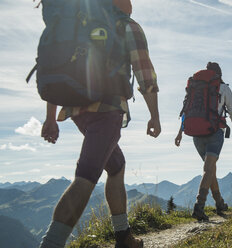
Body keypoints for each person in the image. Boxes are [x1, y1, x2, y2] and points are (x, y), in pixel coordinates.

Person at [39, 0, 160, 247]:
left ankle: (123, 236)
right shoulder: (127, 25)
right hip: (107, 108)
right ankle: (50, 244)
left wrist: (51, 118)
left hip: (76, 109)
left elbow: (56, 66)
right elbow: (145, 74)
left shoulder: (76, 24)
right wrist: (154, 115)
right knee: (87, 175)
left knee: (116, 166)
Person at [175, 62, 232, 221]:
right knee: (208, 169)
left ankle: (219, 203)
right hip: (214, 132)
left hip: (196, 134)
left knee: (211, 169)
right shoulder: (223, 88)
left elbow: (186, 110)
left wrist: (180, 133)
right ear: (219, 74)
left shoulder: (195, 87)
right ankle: (199, 206)